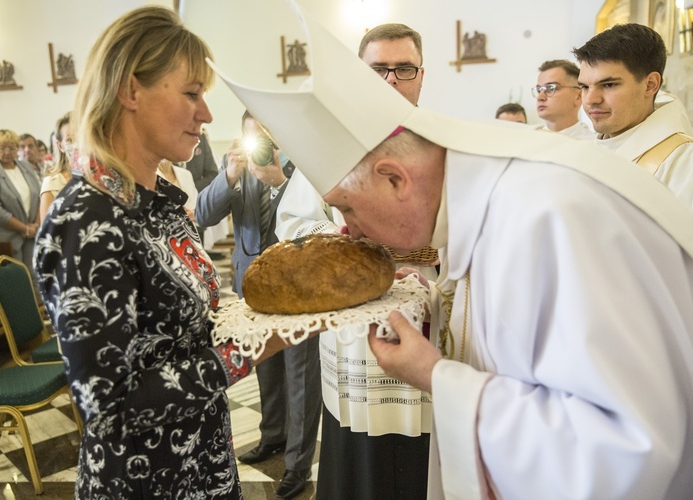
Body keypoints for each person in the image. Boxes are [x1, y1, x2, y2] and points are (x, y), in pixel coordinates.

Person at [211, 5, 693, 498]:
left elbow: (626, 453)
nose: (349, 234)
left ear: (395, 178)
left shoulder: (547, 219)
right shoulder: (494, 205)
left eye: (348, 209)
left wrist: (437, 376)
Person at [34, 7, 321, 499]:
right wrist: (248, 351)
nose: (207, 114)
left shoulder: (159, 206)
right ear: (130, 91)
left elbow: (182, 332)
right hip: (145, 480)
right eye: (191, 93)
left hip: (204, 462)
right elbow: (109, 404)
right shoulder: (86, 219)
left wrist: (272, 319)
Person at [275, 22, 433, 500]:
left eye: (404, 69)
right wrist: (362, 243)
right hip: (356, 338)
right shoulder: (326, 144)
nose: (391, 80)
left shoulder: (443, 143)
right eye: (378, 69)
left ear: (421, 76)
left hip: (431, 328)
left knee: (425, 461)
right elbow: (295, 229)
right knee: (359, 464)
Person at [196, 111, 321, 500]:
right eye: (252, 136)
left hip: (297, 285)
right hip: (253, 285)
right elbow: (202, 214)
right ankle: (272, 437)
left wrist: (280, 183)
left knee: (300, 374)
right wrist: (229, 177)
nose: (260, 144)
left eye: (266, 134)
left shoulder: (304, 163)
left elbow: (311, 218)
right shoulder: (235, 165)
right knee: (264, 366)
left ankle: (298, 464)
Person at [574, 23, 693, 208]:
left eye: (609, 85)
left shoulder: (684, 161)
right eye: (584, 87)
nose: (591, 99)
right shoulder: (586, 150)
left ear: (650, 85)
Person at [0, 129, 40, 276]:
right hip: (4, 238)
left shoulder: (26, 167)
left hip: (30, 234)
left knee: (34, 276)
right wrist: (24, 229)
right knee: (15, 281)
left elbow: (38, 196)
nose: (7, 152)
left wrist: (35, 225)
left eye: (12, 148)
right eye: (2, 148)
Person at [533, 59, 595, 139]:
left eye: (551, 88)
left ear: (579, 96)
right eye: (539, 90)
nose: (540, 97)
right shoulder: (528, 142)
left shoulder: (593, 145)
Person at [39, 112, 73, 221]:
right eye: (70, 140)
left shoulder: (103, 178)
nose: (78, 145)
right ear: (60, 146)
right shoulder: (53, 183)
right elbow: (47, 229)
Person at [157, 158, 198, 224]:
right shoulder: (150, 175)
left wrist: (193, 215)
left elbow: (194, 204)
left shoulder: (186, 174)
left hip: (189, 229)